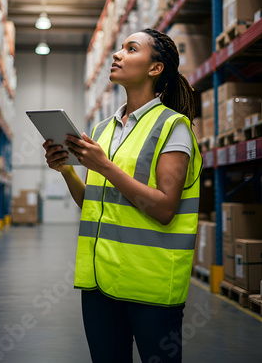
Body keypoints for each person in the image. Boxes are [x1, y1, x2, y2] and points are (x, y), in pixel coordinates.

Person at [43, 28, 202, 363]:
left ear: (155, 68)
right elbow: (95, 204)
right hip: (100, 283)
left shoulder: (173, 126)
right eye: (119, 48)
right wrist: (68, 170)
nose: (117, 54)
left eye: (131, 49)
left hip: (151, 285)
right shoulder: (102, 130)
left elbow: (164, 208)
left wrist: (103, 165)